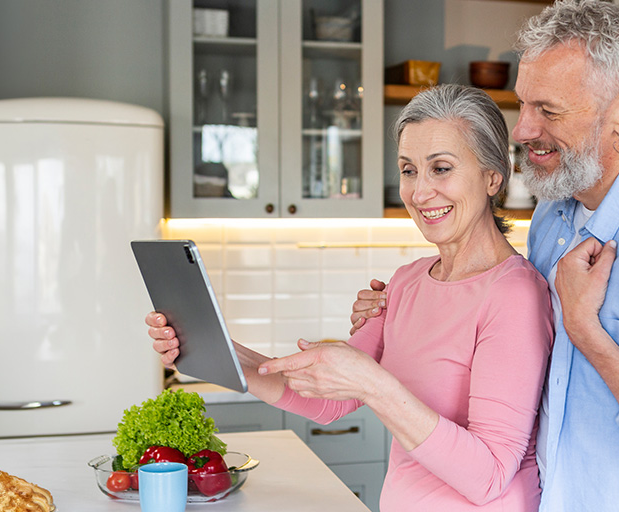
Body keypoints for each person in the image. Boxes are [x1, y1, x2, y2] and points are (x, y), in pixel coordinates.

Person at [349, 1, 619, 511]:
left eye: (550, 111)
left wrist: (589, 333)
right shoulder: (554, 216)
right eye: (525, 105)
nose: (521, 131)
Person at [146, 84, 554, 511]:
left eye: (441, 168)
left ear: (493, 177)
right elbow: (331, 401)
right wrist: (216, 351)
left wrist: (373, 384)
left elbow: (488, 475)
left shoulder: (514, 295)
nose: (419, 193)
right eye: (409, 170)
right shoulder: (407, 282)